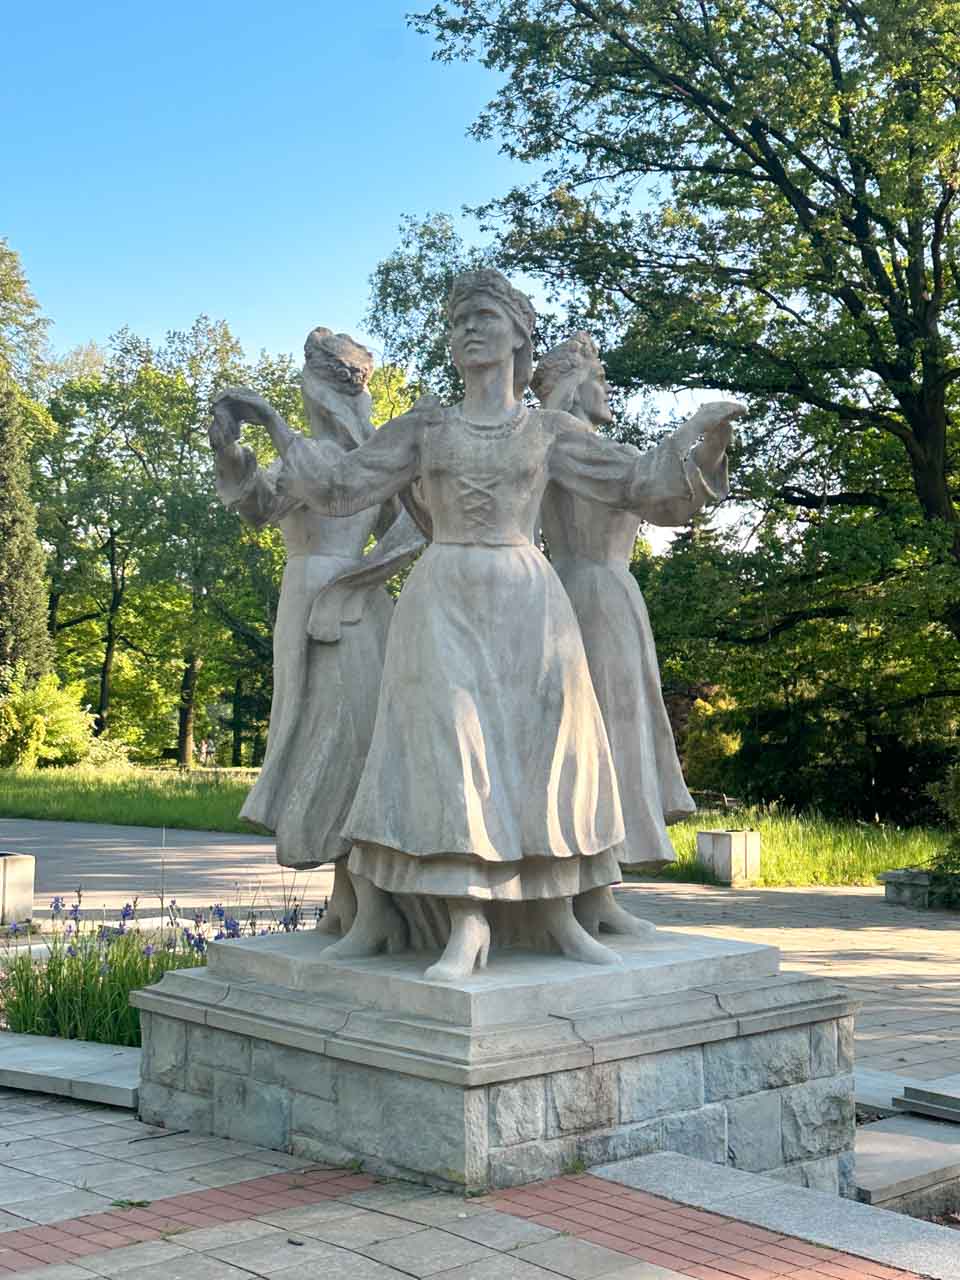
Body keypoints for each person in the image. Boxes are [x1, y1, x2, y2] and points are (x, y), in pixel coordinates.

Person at [225, 269, 742, 982]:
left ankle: (557, 914)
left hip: (532, 606)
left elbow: (639, 485)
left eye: (485, 317)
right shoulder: (426, 426)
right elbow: (341, 487)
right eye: (459, 318)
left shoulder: (549, 430)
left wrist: (702, 441)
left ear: (519, 337)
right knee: (451, 755)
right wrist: (270, 429)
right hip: (442, 600)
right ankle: (465, 921)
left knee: (545, 756)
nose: (470, 328)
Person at [208, 328, 422, 934]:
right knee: (314, 737)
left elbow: (410, 523)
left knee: (350, 741)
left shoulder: (359, 459)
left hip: (350, 604)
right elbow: (258, 504)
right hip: (303, 603)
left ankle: (372, 905)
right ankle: (346, 901)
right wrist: (230, 447)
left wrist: (367, 573)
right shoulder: (307, 456)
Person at [533, 333, 725, 937]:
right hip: (582, 594)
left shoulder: (593, 445)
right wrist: (693, 423)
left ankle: (596, 895)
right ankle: (572, 894)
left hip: (612, 596)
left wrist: (712, 441)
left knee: (614, 740)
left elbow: (669, 503)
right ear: (572, 384)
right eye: (599, 376)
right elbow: (643, 483)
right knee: (586, 742)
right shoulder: (562, 437)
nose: (608, 387)